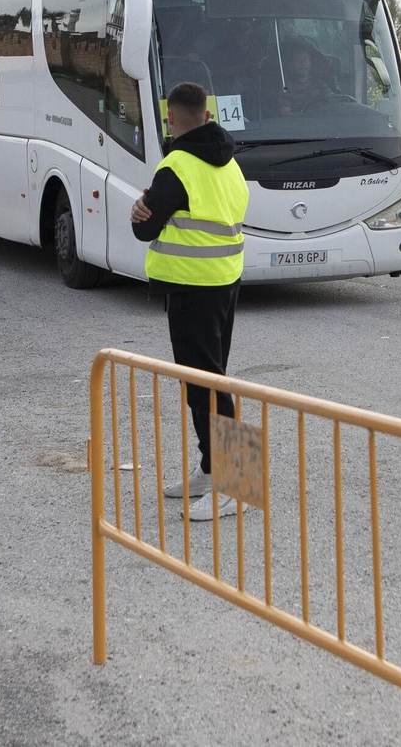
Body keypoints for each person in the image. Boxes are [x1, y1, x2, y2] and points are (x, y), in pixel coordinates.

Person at [130, 81, 250, 521]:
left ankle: (236, 483)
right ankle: (209, 467)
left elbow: (145, 227)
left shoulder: (176, 166)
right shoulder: (230, 161)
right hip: (225, 282)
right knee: (210, 380)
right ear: (205, 115)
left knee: (206, 386)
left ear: (170, 119)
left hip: (190, 287)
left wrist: (139, 208)